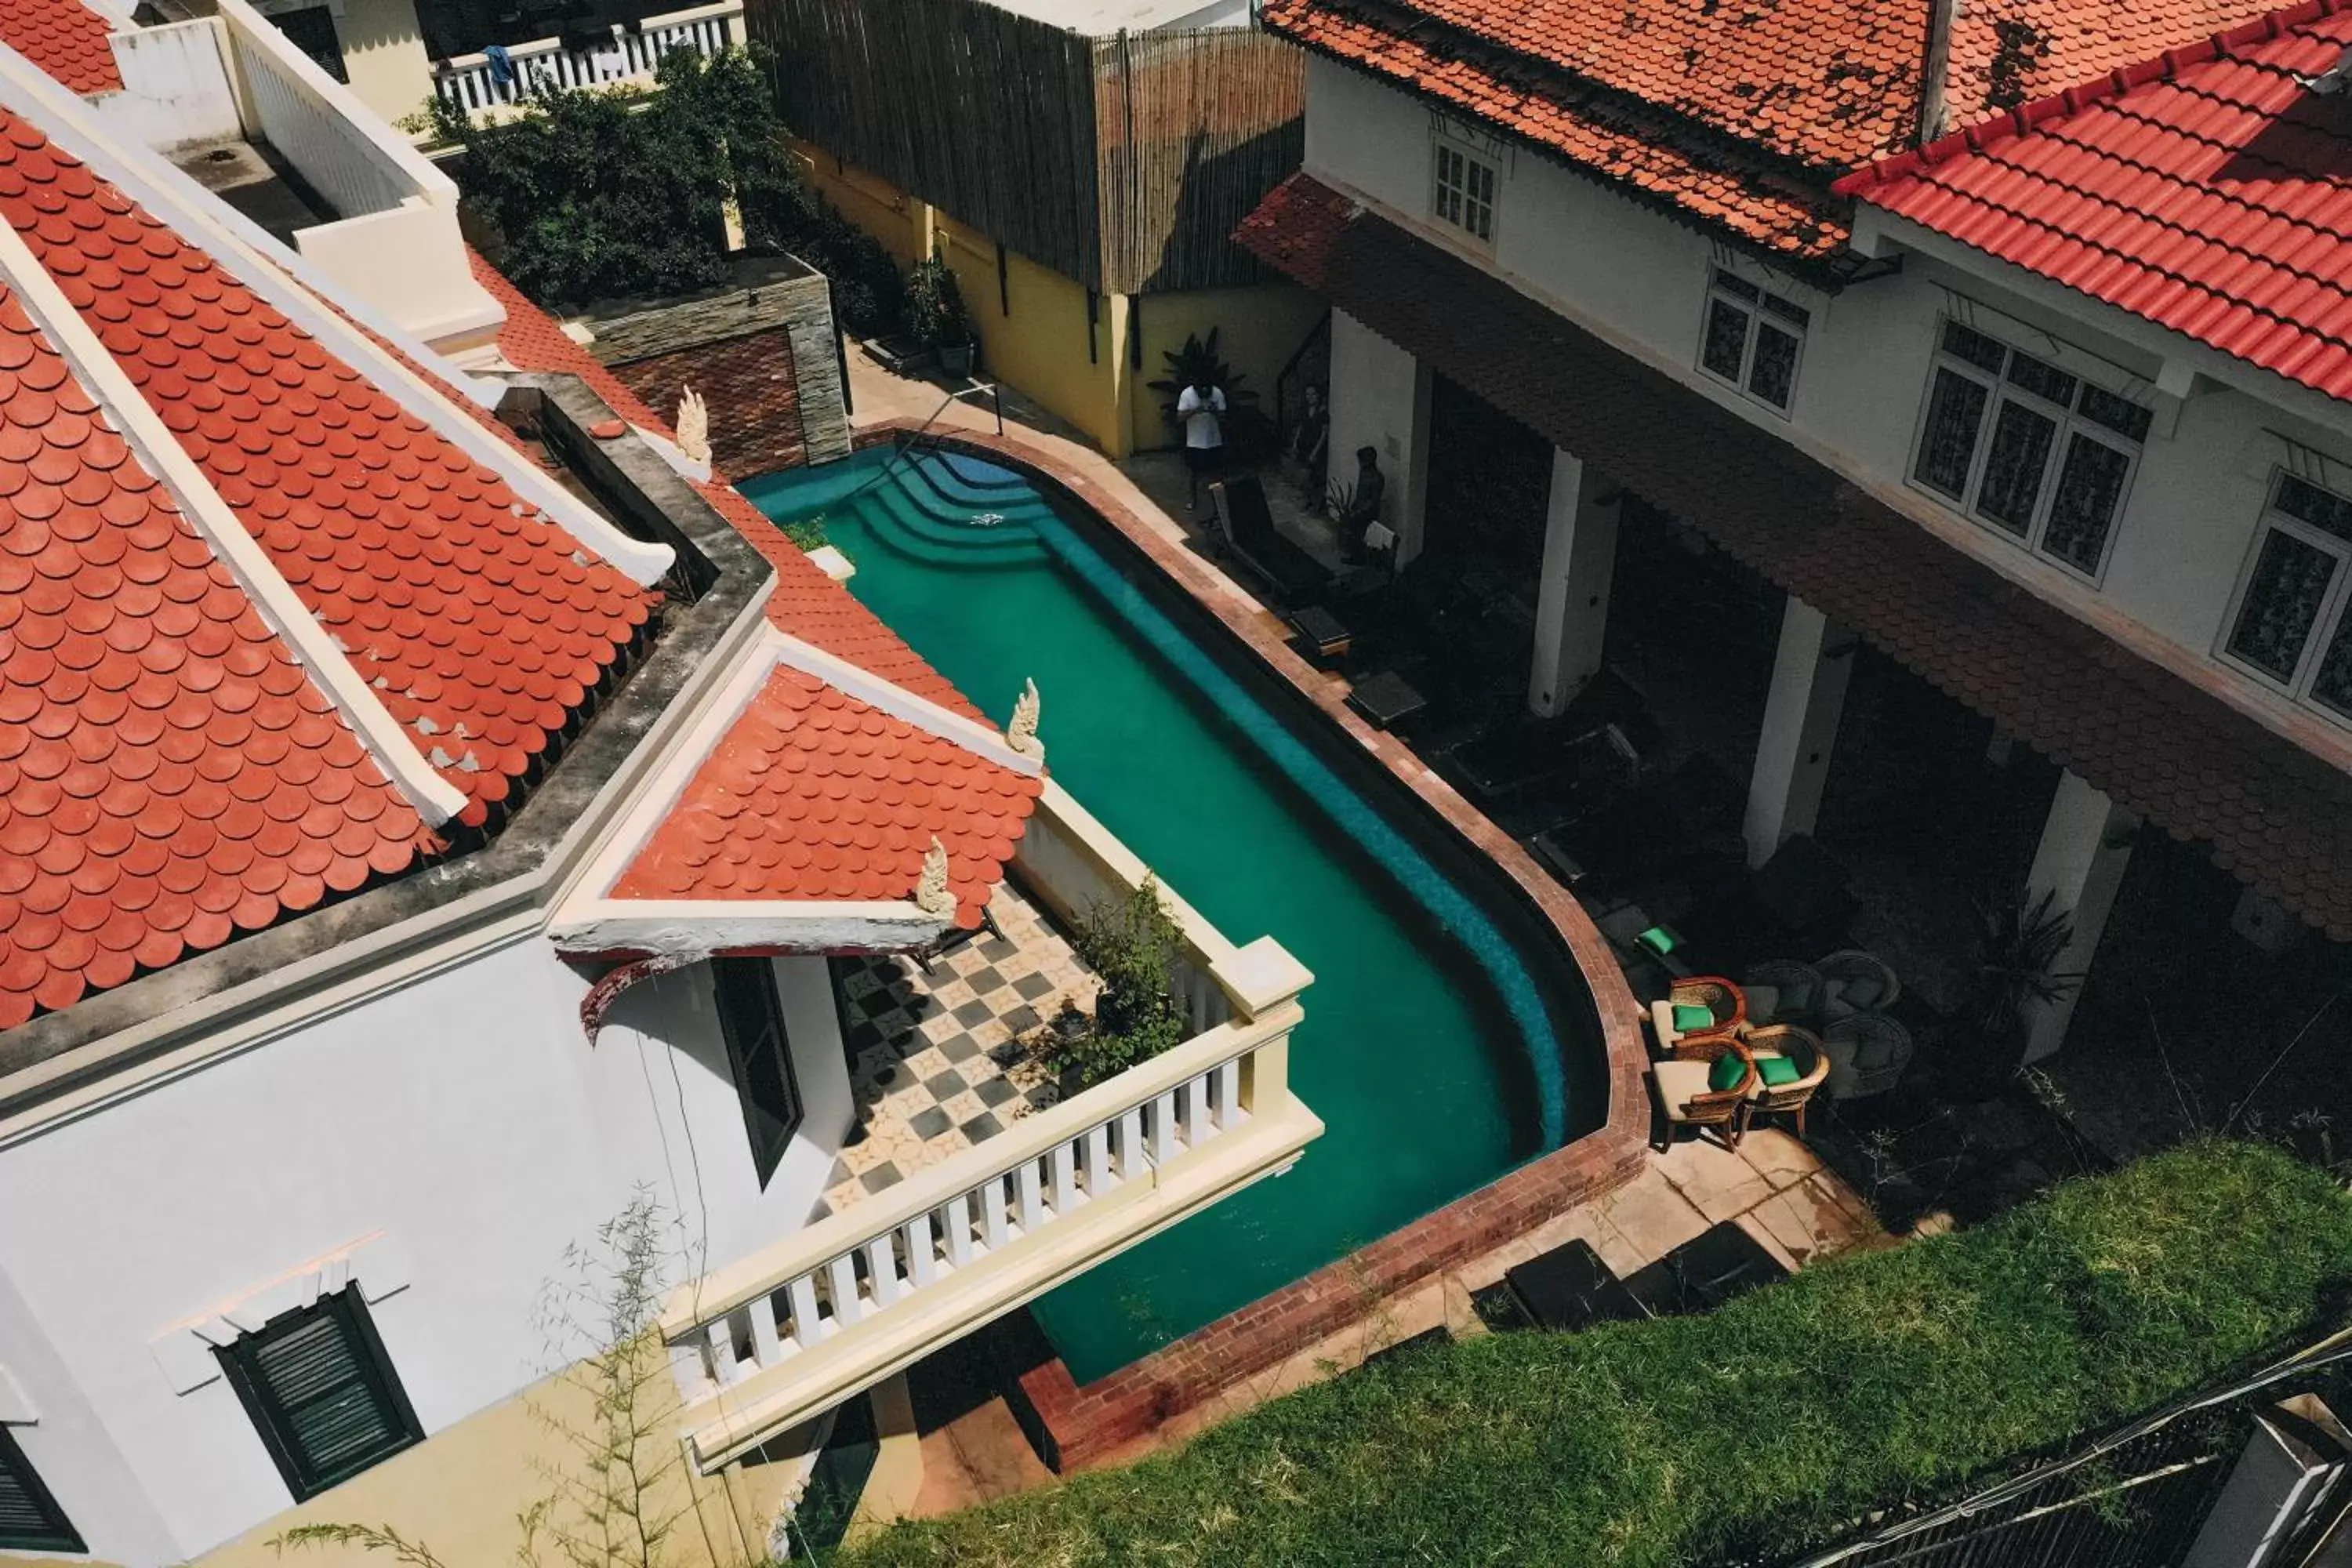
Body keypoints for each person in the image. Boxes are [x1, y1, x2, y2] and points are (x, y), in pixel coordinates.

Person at [1177, 373, 1227, 510]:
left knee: (1216, 473)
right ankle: (1193, 500)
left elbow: (1223, 417)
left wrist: (1215, 412)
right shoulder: (1187, 394)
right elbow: (1180, 417)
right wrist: (1194, 412)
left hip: (1214, 440)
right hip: (1194, 442)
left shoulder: (1217, 393)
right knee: (1193, 473)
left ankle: (1220, 502)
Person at [1340, 445, 1385, 562]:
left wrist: (1359, 512)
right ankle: (1354, 555)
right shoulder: (1364, 473)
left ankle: (1360, 557)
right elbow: (1361, 492)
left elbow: (1373, 501)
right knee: (1352, 532)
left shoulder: (1377, 478)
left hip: (1368, 513)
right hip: (1359, 508)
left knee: (1360, 533)